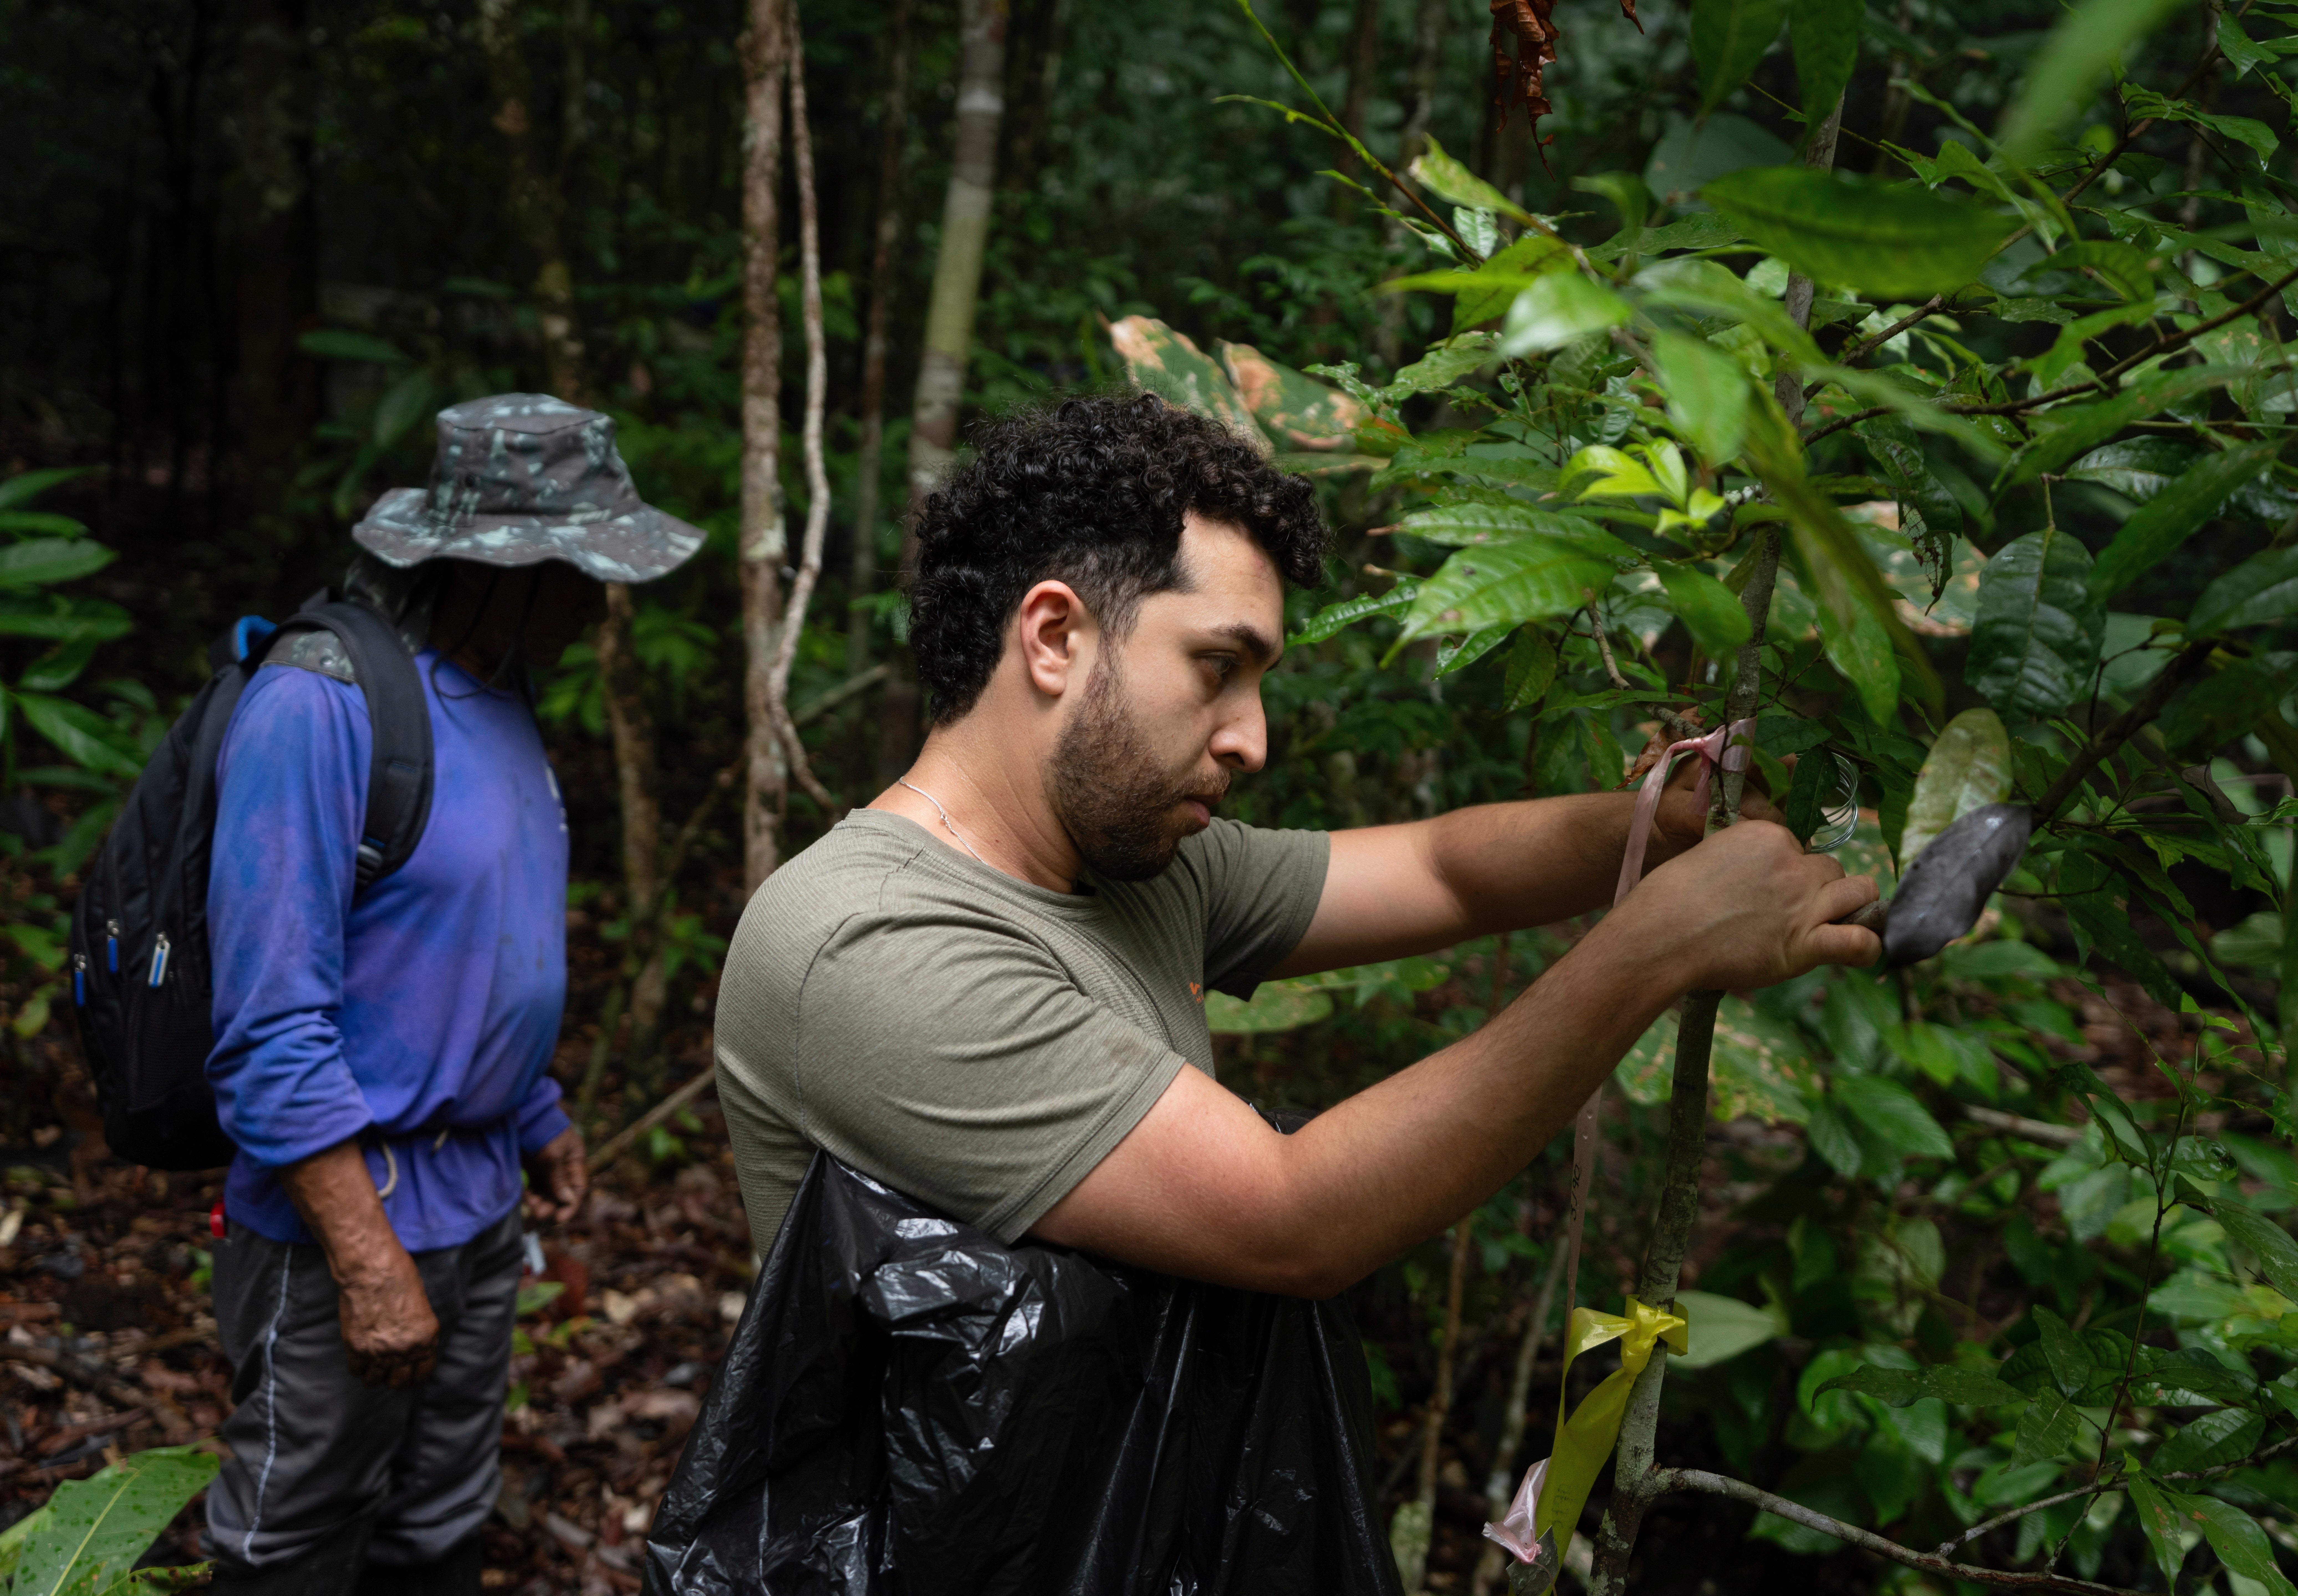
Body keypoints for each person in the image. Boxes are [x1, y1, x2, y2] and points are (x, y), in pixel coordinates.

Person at [714, 392, 1879, 1305]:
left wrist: (1663, 824)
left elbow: (1438, 869)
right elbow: (1291, 1219)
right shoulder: (867, 944)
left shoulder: (1128, 865)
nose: (1252, 740)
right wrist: (1655, 950)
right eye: (1218, 669)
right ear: (1057, 636)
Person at [202, 395, 703, 1596]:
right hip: (350, 1213)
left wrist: (536, 1112)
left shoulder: (505, 706)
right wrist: (369, 1262)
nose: (601, 602)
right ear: (497, 567)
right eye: (581, 570)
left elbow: (469, 945)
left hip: (477, 1203)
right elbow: (267, 1020)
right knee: (295, 1537)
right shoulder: (320, 709)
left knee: (437, 1528)